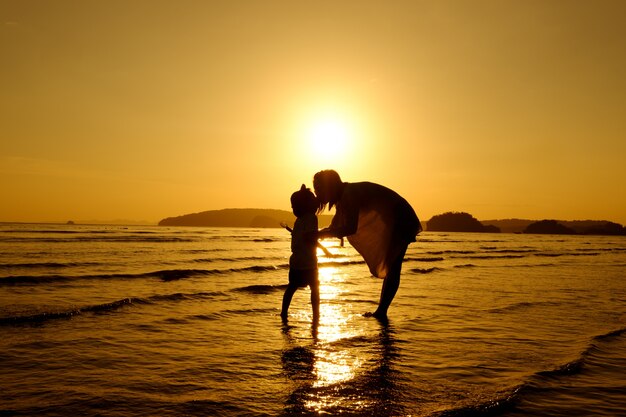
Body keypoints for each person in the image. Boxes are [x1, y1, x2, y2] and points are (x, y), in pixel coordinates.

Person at [313, 169, 421, 319]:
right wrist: (320, 233)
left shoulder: (349, 194)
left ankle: (382, 312)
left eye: (319, 189)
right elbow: (335, 225)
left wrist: (322, 234)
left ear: (329, 186)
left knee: (394, 267)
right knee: (392, 267)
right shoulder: (344, 195)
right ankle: (381, 311)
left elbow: (350, 227)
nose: (317, 194)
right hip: (395, 216)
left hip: (401, 216)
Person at [281, 184, 320, 322]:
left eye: (294, 206)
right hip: (308, 261)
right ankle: (316, 314)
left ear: (304, 205)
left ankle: (283, 312)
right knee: (314, 287)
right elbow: (309, 236)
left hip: (298, 261)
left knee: (291, 287)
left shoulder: (306, 218)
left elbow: (308, 236)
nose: (293, 209)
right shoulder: (307, 218)